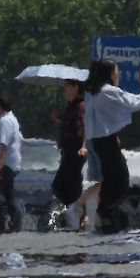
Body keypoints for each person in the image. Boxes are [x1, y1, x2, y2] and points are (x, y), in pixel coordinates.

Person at [84, 58, 140, 233]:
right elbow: (135, 103)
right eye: (116, 70)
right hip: (105, 141)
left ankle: (105, 216)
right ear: (108, 73)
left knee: (110, 178)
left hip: (101, 140)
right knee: (121, 179)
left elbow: (104, 116)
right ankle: (105, 211)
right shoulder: (108, 91)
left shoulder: (94, 92)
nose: (118, 73)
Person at [50, 79, 86, 229]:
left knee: (68, 185)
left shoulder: (81, 106)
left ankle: (78, 216)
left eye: (67, 86)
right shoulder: (71, 107)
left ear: (75, 87)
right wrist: (59, 119)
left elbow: (84, 128)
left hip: (75, 150)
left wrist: (84, 145)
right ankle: (72, 215)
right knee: (63, 186)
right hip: (68, 150)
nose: (64, 90)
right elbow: (69, 126)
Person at [0, 94, 23, 234]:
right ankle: (15, 222)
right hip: (12, 163)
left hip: (6, 164)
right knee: (8, 193)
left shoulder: (4, 121)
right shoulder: (13, 120)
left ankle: (0, 223)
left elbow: (3, 145)